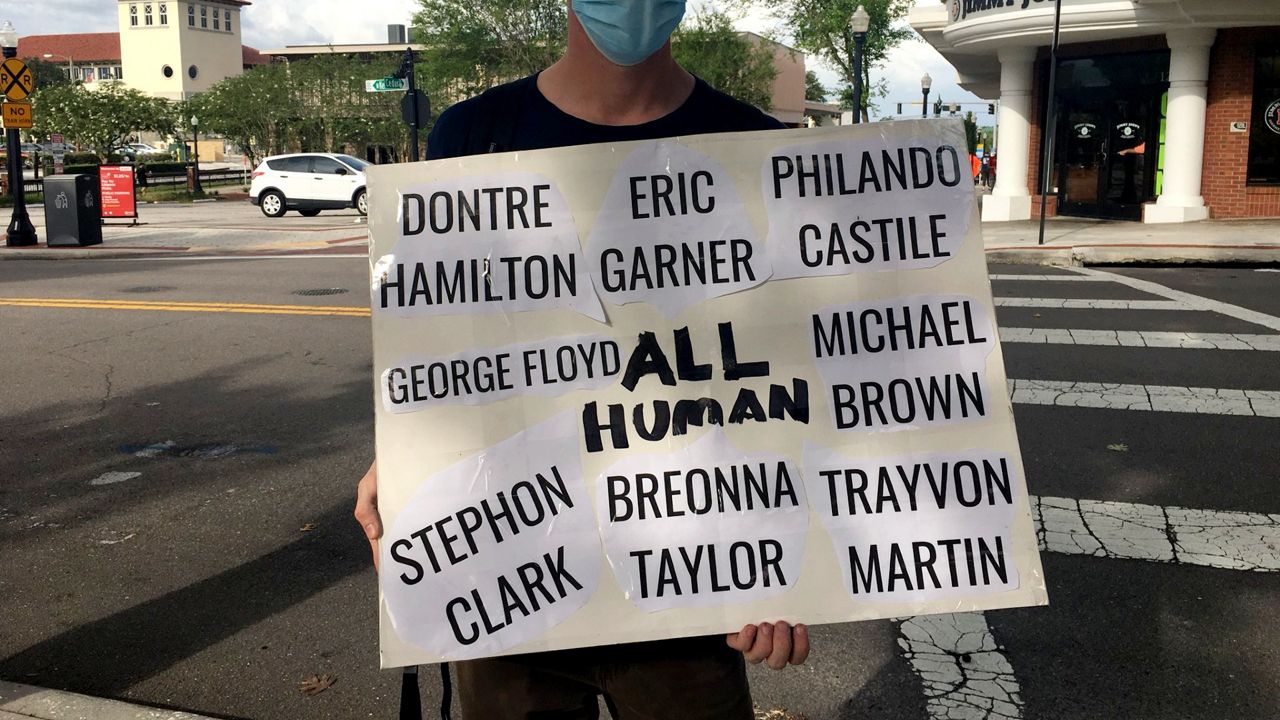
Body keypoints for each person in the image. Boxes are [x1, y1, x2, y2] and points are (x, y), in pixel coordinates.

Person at [354, 2, 808, 719]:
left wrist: (801, 568)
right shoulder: (472, 136)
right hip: (507, 571)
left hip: (691, 585)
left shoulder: (751, 144)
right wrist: (402, 462)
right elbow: (439, 340)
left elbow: (798, 374)